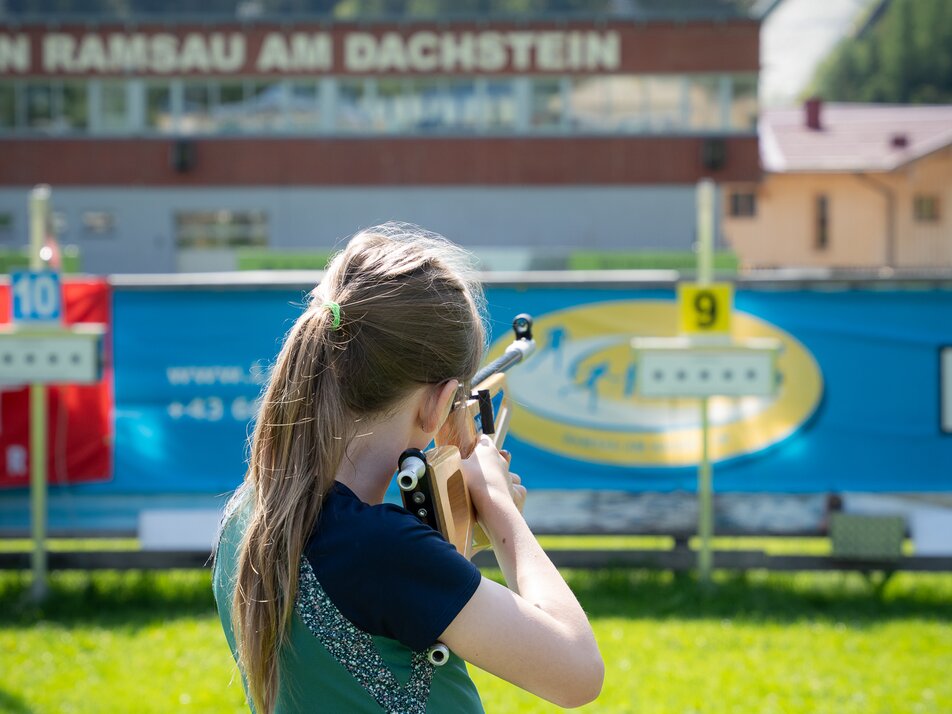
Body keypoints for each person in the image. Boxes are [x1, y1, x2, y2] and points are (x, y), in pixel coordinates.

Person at [212, 222, 604, 713]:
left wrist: (457, 530)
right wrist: (501, 509)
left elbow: (401, 624)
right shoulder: (378, 546)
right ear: (438, 404)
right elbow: (577, 673)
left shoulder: (248, 518)